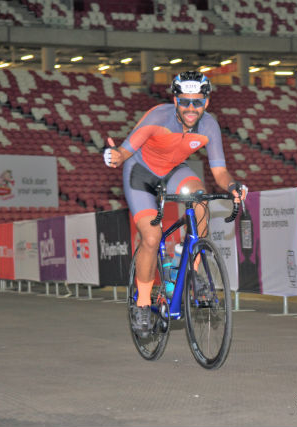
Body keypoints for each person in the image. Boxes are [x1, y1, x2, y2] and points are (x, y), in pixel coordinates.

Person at [103, 71, 247, 337]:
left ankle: (190, 267)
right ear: (175, 100)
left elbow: (220, 173)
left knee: (200, 198)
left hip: (172, 171)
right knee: (151, 237)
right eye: (185, 102)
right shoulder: (158, 116)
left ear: (206, 102)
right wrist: (115, 156)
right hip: (140, 174)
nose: (191, 108)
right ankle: (142, 304)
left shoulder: (210, 126)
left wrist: (232, 186)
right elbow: (124, 151)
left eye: (197, 102)